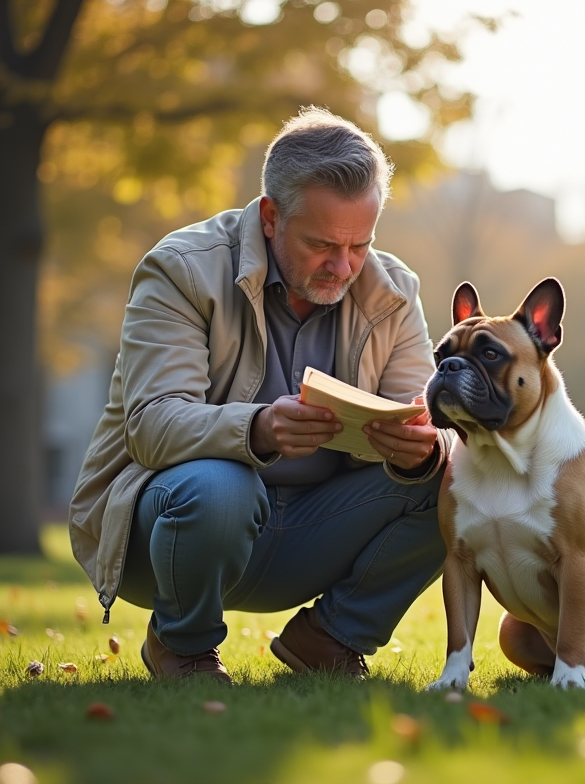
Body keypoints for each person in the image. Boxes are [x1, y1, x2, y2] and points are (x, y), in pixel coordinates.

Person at [68, 108, 450, 682]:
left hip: (314, 532)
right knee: (222, 485)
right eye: (322, 244)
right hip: (178, 531)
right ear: (271, 217)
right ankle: (184, 645)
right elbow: (150, 423)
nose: (343, 266)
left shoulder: (394, 291)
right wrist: (258, 429)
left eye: (359, 246)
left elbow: (422, 421)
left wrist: (419, 449)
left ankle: (331, 638)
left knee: (455, 475)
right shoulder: (180, 269)